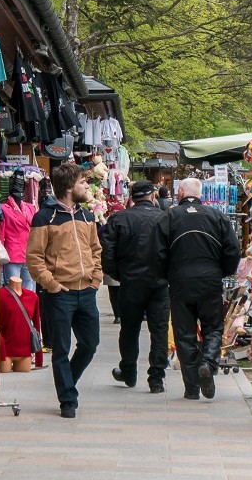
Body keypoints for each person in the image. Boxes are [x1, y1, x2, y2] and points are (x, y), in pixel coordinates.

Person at [149, 177, 240, 400]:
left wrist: (166, 275)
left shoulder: (169, 216)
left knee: (185, 334)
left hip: (180, 282)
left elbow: (155, 251)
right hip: (210, 281)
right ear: (200, 194)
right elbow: (232, 250)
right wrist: (223, 271)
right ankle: (208, 361)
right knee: (213, 327)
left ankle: (192, 387)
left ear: (180, 192)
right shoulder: (216, 216)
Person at [26, 163, 102, 418]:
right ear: (70, 187)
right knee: (60, 349)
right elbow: (34, 257)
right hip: (59, 294)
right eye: (82, 182)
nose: (86, 187)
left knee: (90, 344)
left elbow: (96, 250)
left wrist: (96, 278)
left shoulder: (86, 216)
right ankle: (67, 400)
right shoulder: (44, 217)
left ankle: (67, 381)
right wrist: (51, 284)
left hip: (86, 291)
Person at [101, 180, 170, 393]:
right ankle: (156, 377)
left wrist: (118, 274)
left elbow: (107, 251)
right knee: (159, 329)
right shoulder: (165, 219)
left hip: (130, 283)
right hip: (159, 284)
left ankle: (129, 371)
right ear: (152, 196)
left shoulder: (119, 218)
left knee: (129, 329)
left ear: (132, 197)